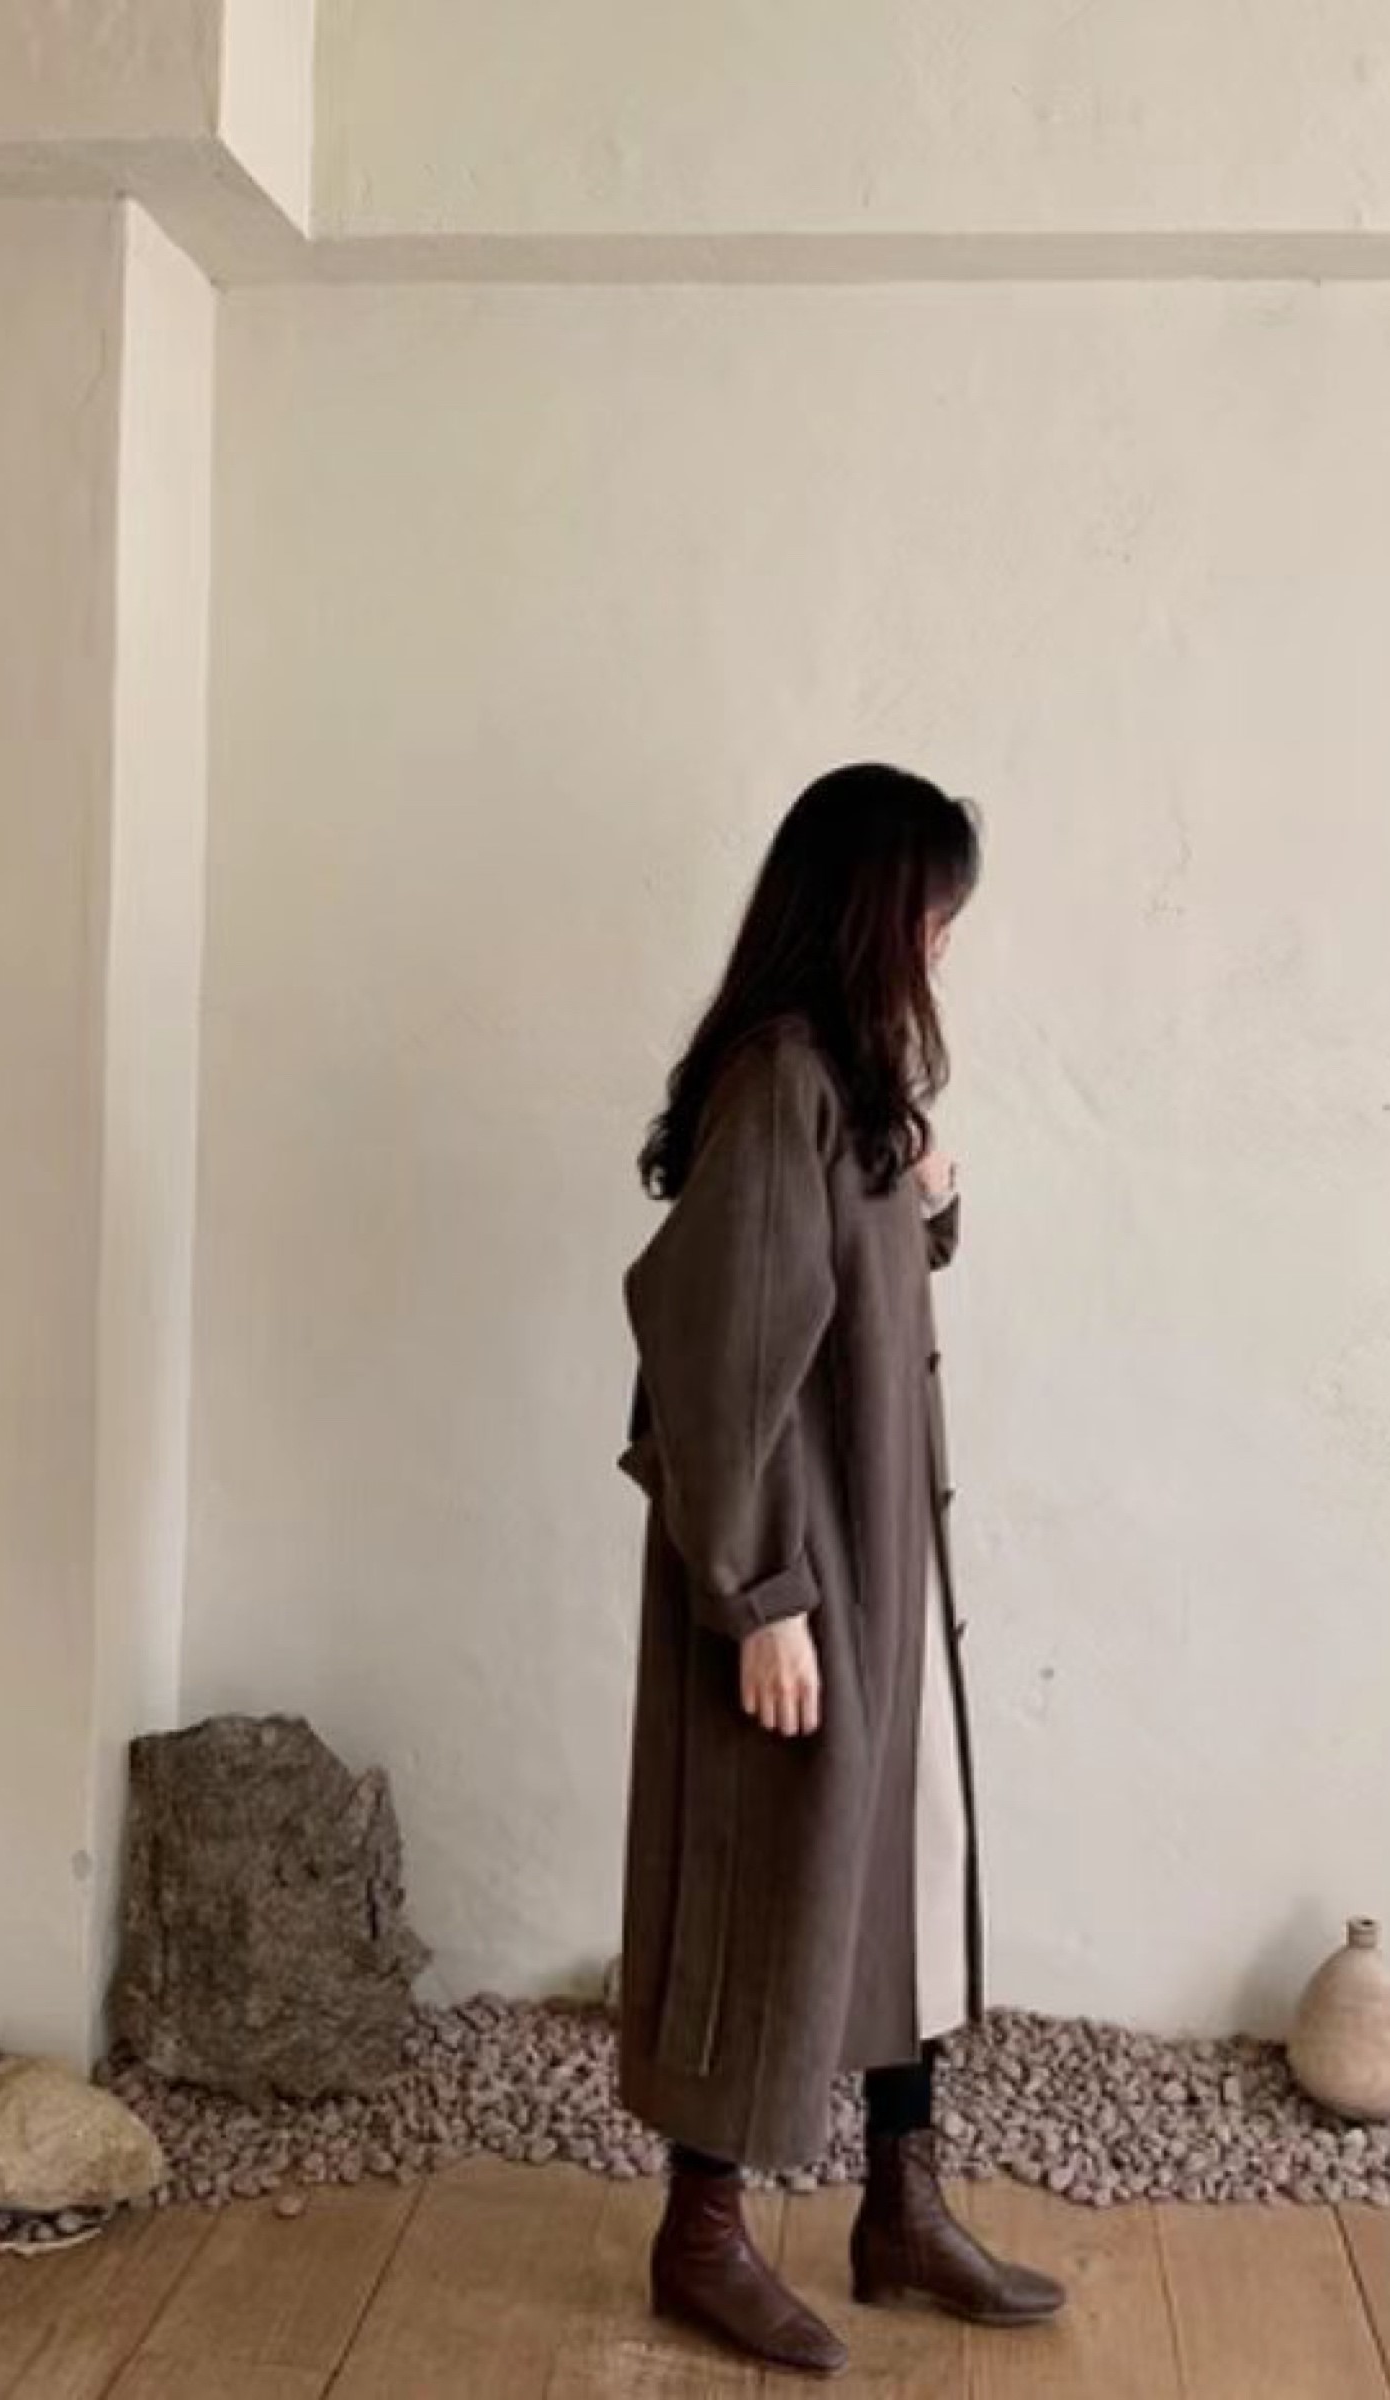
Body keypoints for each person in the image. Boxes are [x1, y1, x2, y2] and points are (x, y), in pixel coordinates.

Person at [614, 762, 1065, 2375]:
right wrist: (760, 1597)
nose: (943, 945)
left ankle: (899, 2204)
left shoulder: (848, 1088)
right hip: (795, 1572)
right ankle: (700, 2235)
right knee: (759, 1869)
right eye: (934, 913)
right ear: (878, 909)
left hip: (880, 1563)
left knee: (901, 1863)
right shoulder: (781, 1084)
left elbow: (844, 1285)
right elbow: (717, 1351)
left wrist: (930, 1198)